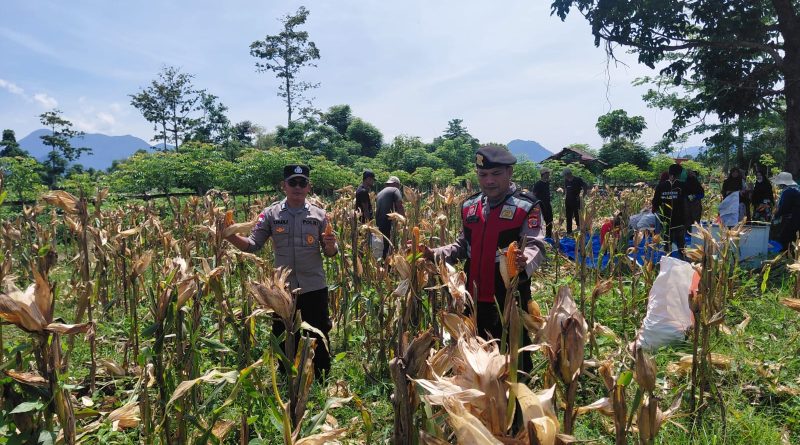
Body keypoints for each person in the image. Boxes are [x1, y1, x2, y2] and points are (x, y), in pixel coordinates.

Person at [419, 145, 546, 345]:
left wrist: (524, 261)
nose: (489, 181)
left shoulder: (526, 206)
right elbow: (462, 246)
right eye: (483, 174)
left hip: (508, 297)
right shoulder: (470, 206)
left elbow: (535, 244)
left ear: (509, 172)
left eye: (496, 174)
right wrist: (432, 253)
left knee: (513, 358)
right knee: (473, 353)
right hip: (473, 297)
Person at [225, 164, 338, 378]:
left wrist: (331, 245)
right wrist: (230, 236)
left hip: (313, 285)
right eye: (292, 182)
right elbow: (252, 245)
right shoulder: (270, 214)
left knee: (319, 330)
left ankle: (322, 375)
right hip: (283, 288)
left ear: (308, 187)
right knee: (283, 333)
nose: (297, 186)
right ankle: (287, 375)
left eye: (302, 182)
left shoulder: (320, 215)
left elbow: (330, 252)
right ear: (283, 186)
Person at [652, 163, 689, 259]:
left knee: (667, 244)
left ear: (669, 173)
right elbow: (686, 202)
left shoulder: (661, 186)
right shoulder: (683, 185)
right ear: (680, 174)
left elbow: (655, 202)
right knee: (681, 244)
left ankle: (668, 262)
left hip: (665, 221)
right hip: (680, 220)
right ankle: (683, 261)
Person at [375, 176, 405, 259]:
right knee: (391, 247)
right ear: (396, 184)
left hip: (379, 224)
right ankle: (390, 267)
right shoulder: (395, 190)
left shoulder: (379, 193)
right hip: (389, 223)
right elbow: (399, 205)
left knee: (384, 247)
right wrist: (404, 220)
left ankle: (383, 267)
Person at [772, 171, 800, 252]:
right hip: (796, 216)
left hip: (793, 217)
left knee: (786, 237)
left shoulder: (788, 191)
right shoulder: (797, 188)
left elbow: (784, 207)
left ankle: (786, 254)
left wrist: (776, 215)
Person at [563, 168, 588, 234]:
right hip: (568, 200)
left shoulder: (578, 180)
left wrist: (583, 196)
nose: (564, 177)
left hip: (576, 200)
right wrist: (564, 195)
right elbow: (566, 189)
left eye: (565, 175)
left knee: (577, 215)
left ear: (568, 174)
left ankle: (579, 228)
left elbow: (585, 186)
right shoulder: (566, 180)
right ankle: (569, 231)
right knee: (568, 216)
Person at [533, 167, 553, 239]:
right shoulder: (538, 184)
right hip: (540, 205)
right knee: (539, 221)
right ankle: (538, 237)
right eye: (548, 173)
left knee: (550, 220)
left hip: (547, 204)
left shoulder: (547, 183)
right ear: (543, 174)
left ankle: (548, 236)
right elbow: (534, 195)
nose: (549, 174)